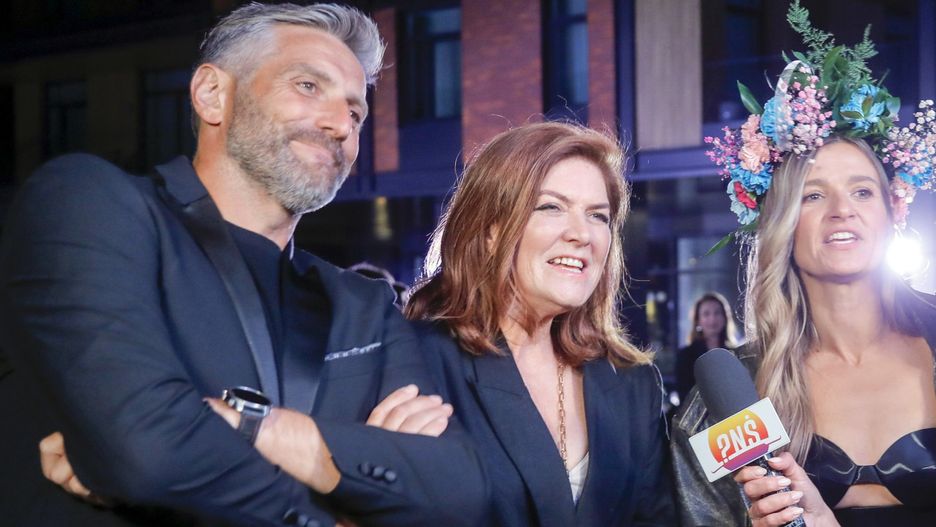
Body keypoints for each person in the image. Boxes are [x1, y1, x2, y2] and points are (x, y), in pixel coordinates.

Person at [0, 3, 486, 526]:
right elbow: (151, 455)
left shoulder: (361, 303)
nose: (339, 124)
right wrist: (342, 503)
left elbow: (454, 491)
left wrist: (246, 424)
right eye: (307, 86)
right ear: (212, 93)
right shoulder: (92, 206)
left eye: (355, 112)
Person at [671, 3, 936, 525]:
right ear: (782, 226)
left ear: (891, 211)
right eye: (813, 196)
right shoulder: (728, 396)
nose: (842, 210)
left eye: (862, 191)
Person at [405, 122, 677, 526]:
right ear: (491, 229)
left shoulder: (632, 383)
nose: (582, 234)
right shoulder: (417, 363)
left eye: (598, 216)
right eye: (551, 207)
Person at [675, 292, 739, 403]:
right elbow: (685, 396)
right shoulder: (686, 355)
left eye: (717, 313)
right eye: (706, 314)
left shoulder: (736, 354)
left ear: (725, 317)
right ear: (698, 321)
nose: (712, 319)